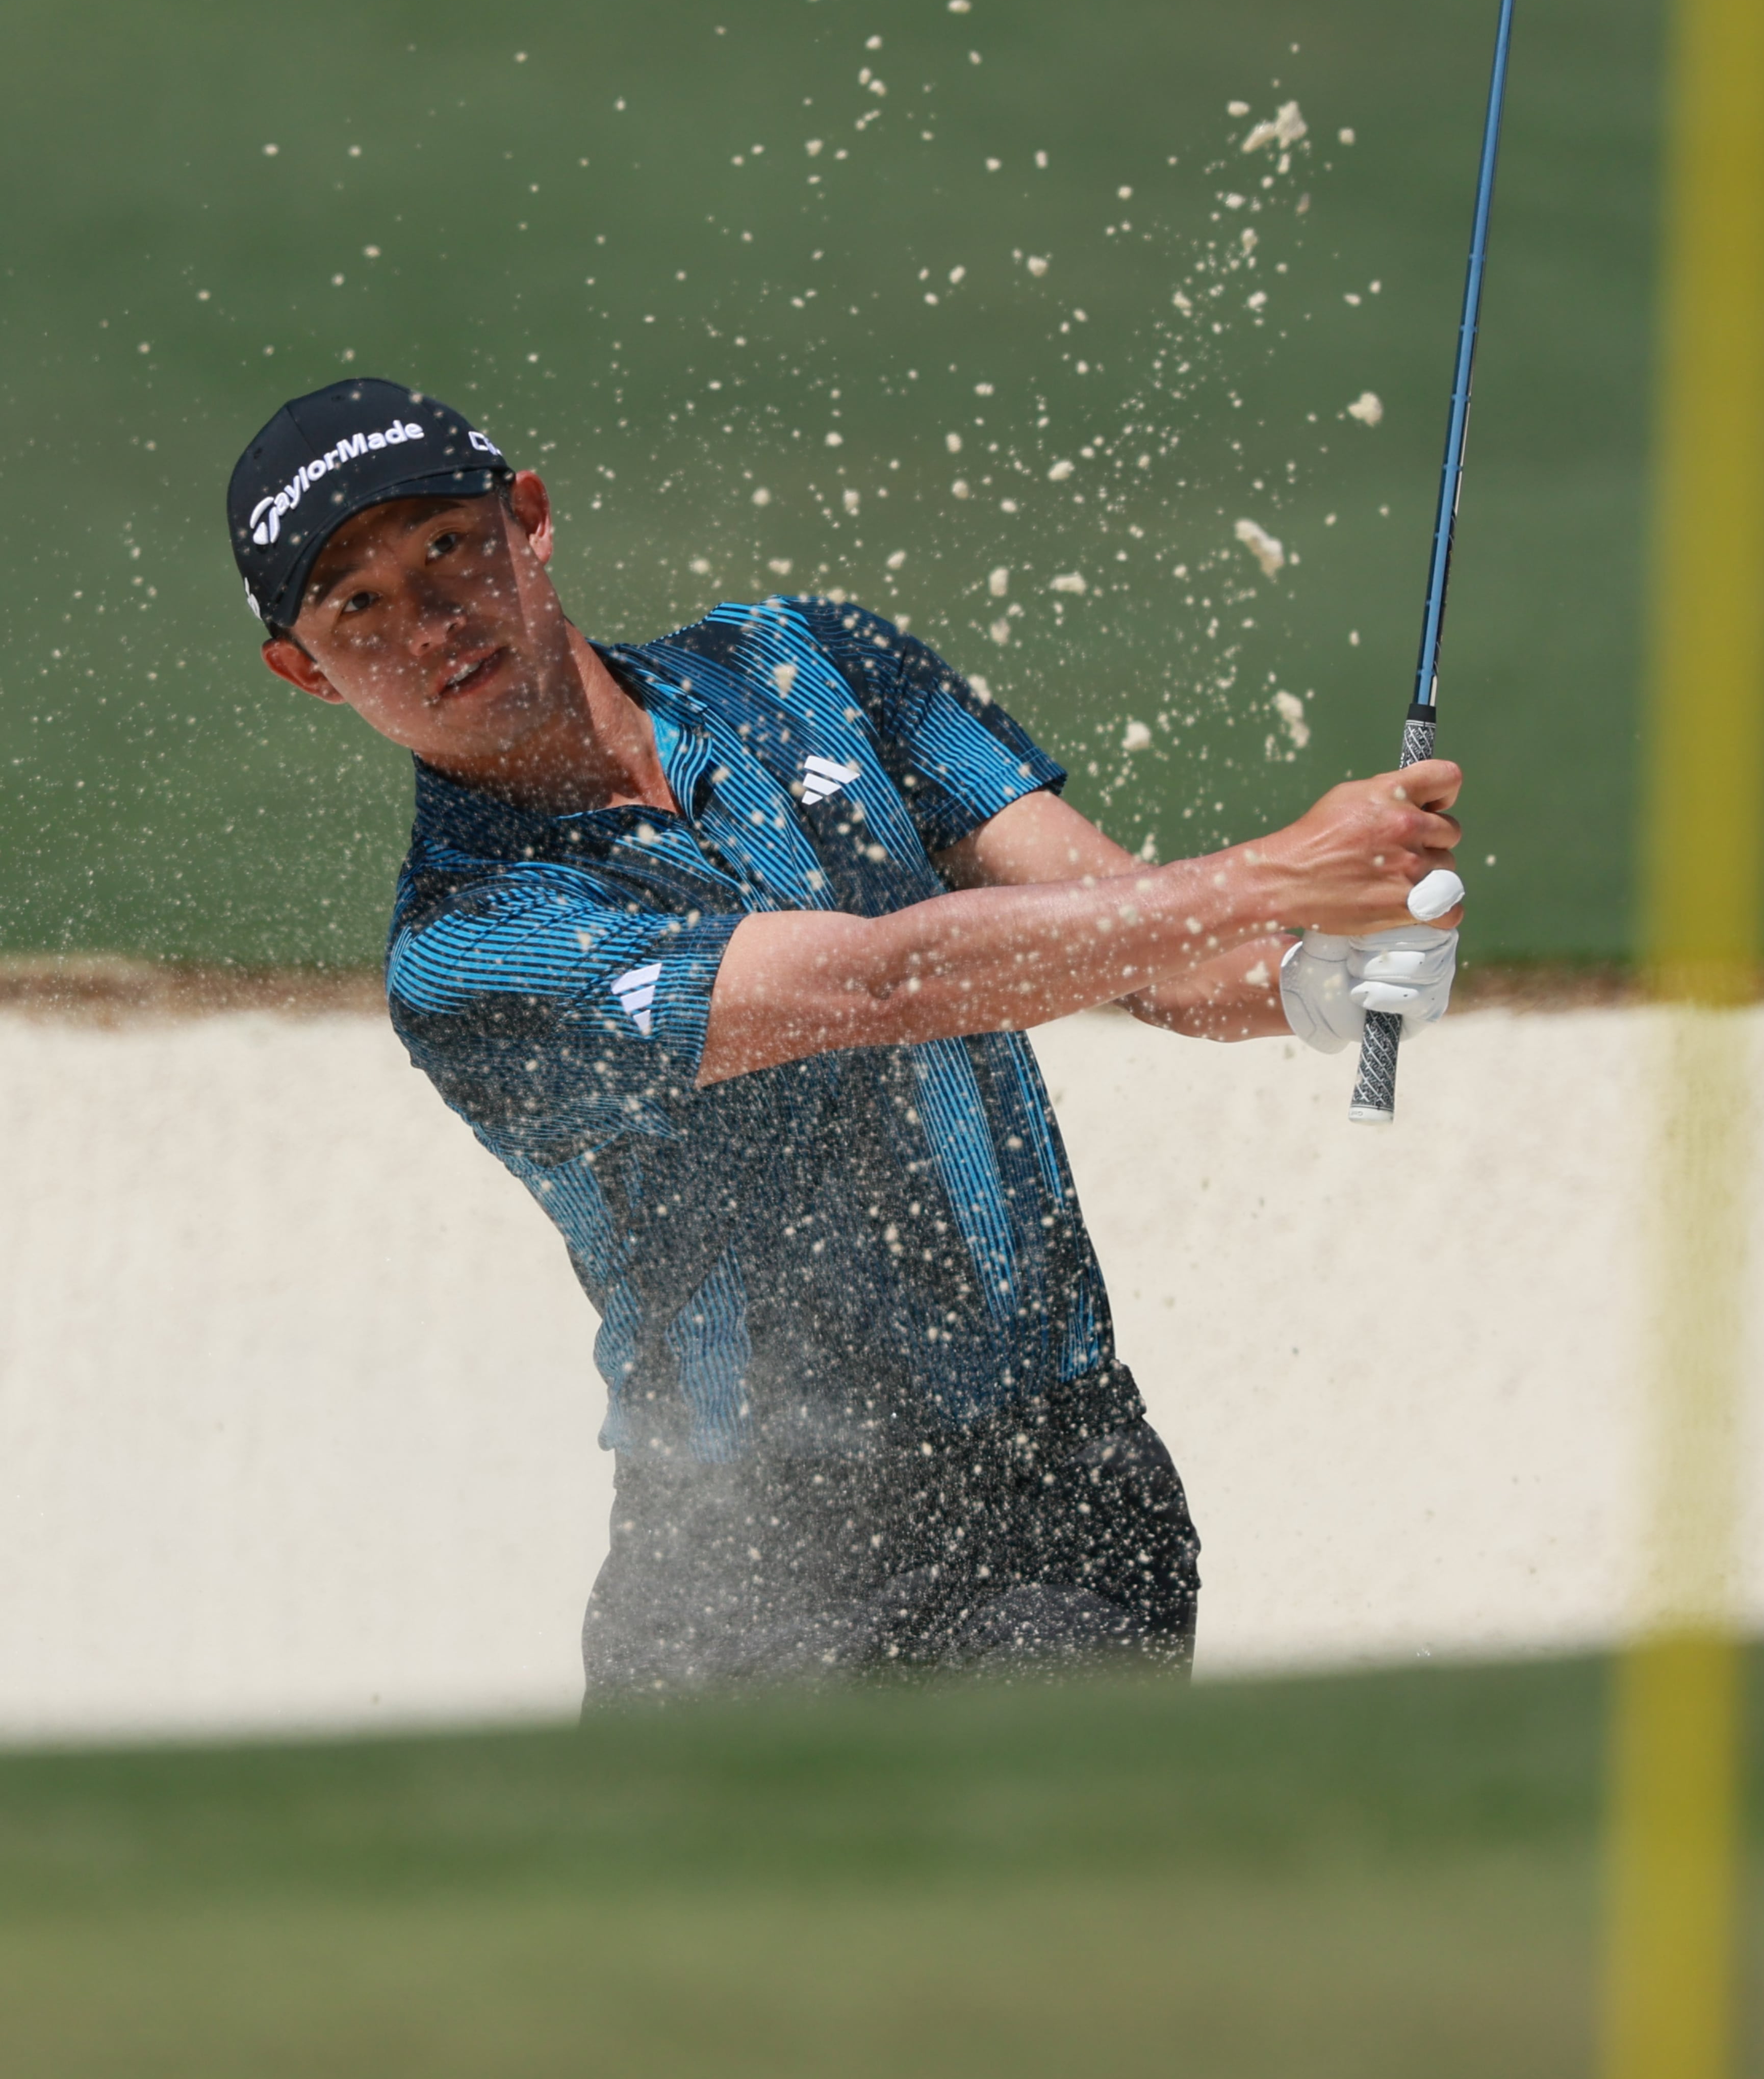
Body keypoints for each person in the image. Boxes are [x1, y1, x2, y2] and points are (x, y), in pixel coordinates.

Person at [227, 377, 1464, 1697]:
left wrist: (1309, 972)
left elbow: (1120, 931)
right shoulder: (467, 948)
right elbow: (877, 985)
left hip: (1054, 1488)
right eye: (357, 605)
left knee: (1048, 1898)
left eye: (446, 549)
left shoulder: (804, 661)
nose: (431, 621)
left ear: (528, 521)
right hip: (743, 1570)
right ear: (306, 671)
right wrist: (1271, 874)